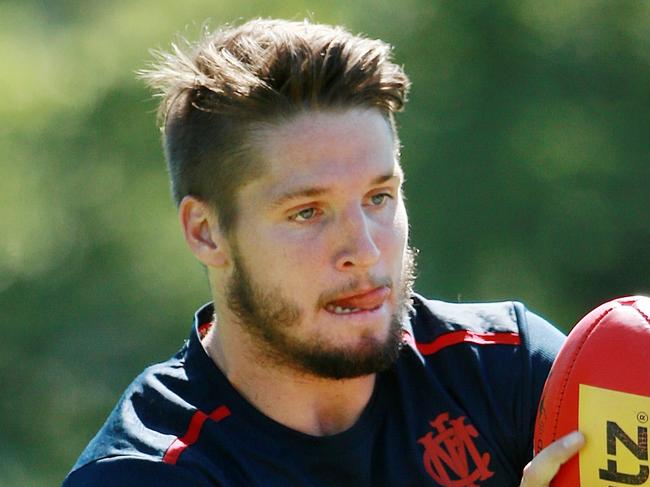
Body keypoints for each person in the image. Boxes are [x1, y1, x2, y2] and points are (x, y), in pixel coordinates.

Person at [62, 18, 584, 486]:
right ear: (206, 232)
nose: (363, 248)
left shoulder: (510, 370)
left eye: (379, 198)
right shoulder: (147, 472)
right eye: (307, 212)